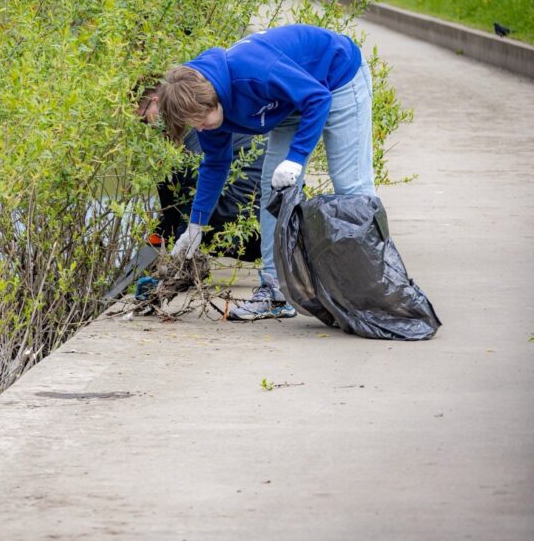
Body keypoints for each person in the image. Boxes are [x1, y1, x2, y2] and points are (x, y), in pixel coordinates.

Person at [157, 23, 375, 321]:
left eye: (200, 119)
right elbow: (215, 164)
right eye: (193, 124)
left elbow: (317, 98)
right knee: (275, 189)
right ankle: (275, 291)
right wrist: (195, 226)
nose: (199, 128)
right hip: (287, 101)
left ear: (211, 98)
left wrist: (296, 158)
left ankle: (370, 286)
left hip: (336, 78)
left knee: (350, 185)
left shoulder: (253, 71)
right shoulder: (208, 113)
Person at [136, 83, 263, 262]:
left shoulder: (189, 149)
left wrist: (176, 256)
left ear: (155, 103)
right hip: (275, 228)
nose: (145, 127)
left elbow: (186, 209)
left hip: (248, 238)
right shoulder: (217, 118)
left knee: (177, 192)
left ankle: (183, 260)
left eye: (142, 119)